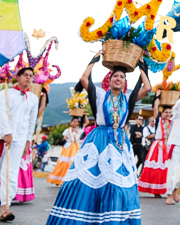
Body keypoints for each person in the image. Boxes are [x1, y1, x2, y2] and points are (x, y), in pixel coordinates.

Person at [45, 49, 151, 225]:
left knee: (118, 183)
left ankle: (113, 219)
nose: (118, 79)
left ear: (125, 82)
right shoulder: (100, 95)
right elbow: (84, 79)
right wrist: (94, 59)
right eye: (115, 76)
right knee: (88, 181)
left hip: (119, 143)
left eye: (122, 77)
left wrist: (141, 66)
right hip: (99, 140)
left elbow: (147, 87)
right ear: (109, 80)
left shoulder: (127, 98)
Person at [0, 66, 39, 221]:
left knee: (10, 173)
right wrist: (6, 133)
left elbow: (32, 121)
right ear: (17, 77)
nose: (28, 78)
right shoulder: (5, 93)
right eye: (25, 75)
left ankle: (5, 208)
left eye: (31, 76)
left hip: (19, 140)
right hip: (1, 139)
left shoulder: (33, 98)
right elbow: (0, 114)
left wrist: (28, 141)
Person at [139, 94, 173, 197]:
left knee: (165, 169)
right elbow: (155, 110)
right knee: (156, 168)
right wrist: (157, 98)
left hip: (167, 146)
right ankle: (154, 190)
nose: (168, 114)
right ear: (162, 113)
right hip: (158, 146)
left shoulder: (171, 122)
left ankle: (160, 190)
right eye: (166, 112)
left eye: (169, 112)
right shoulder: (159, 121)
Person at [48, 117, 83, 186]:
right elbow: (64, 139)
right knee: (64, 163)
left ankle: (69, 180)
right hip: (68, 148)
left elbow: (86, 123)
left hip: (75, 147)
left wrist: (84, 115)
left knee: (73, 163)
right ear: (71, 122)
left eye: (76, 122)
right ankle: (59, 179)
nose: (75, 123)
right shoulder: (67, 131)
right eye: (74, 121)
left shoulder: (78, 131)